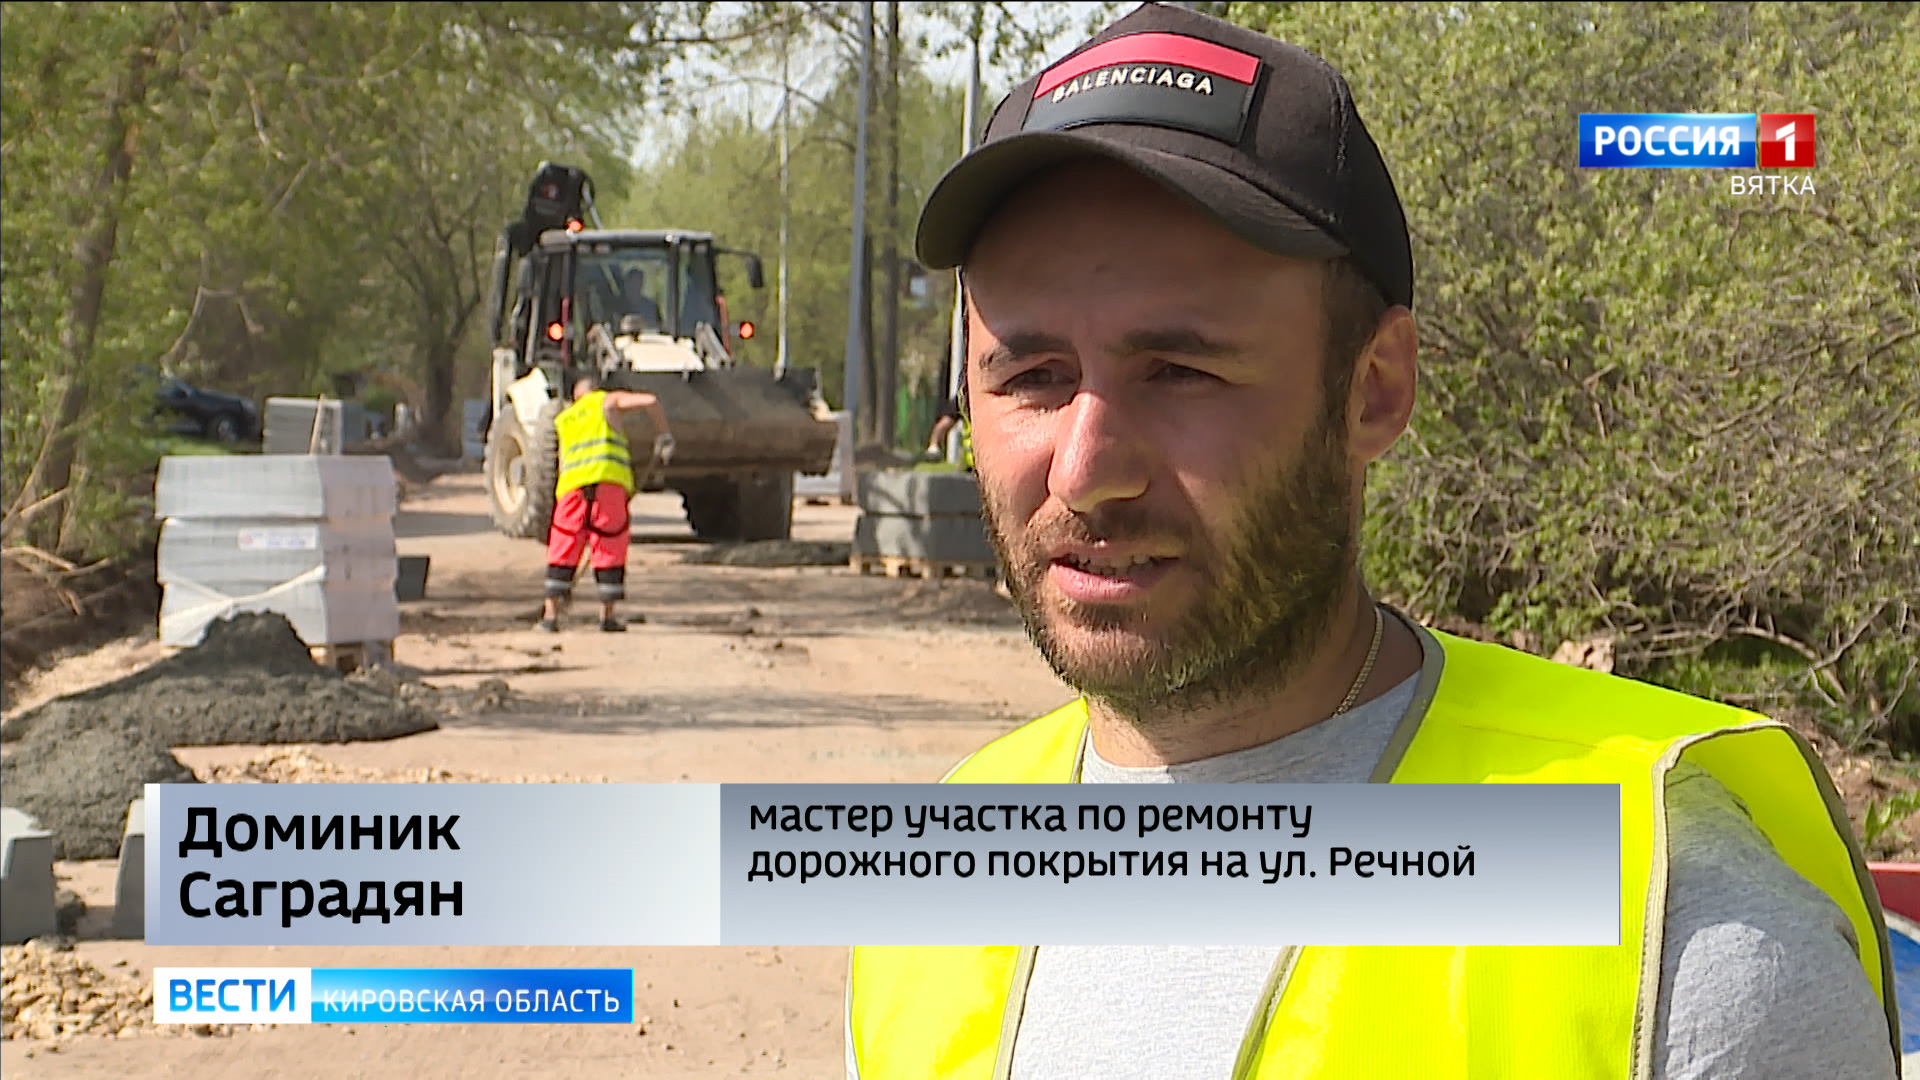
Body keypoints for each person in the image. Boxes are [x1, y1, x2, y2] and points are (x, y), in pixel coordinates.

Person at [845, 5, 1896, 1079]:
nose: (1084, 469)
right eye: (1032, 379)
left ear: (1376, 390)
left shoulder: (1686, 940)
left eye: (1180, 373)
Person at [538, 374, 671, 633]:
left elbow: (563, 463)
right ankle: (607, 618)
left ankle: (550, 616)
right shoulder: (607, 402)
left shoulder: (565, 418)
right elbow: (651, 401)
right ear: (596, 390)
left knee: (563, 546)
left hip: (572, 491)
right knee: (610, 546)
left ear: (576, 395)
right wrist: (664, 435)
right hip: (607, 489)